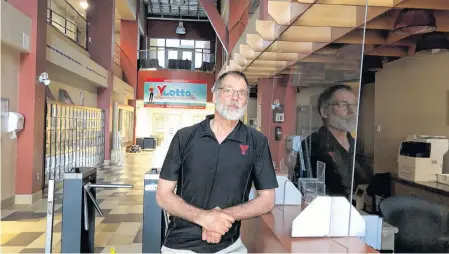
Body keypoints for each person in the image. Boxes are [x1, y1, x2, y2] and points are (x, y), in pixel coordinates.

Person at [156, 71, 279, 253]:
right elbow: (163, 195)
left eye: (242, 93)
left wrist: (220, 218)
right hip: (180, 244)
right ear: (215, 95)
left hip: (229, 245)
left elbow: (267, 200)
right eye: (228, 90)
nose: (235, 97)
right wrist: (203, 218)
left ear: (246, 100)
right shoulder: (185, 136)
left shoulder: (257, 141)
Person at [294, 84, 372, 199]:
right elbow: (307, 188)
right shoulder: (312, 144)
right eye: (343, 105)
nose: (351, 111)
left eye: (354, 105)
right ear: (325, 112)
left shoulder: (356, 145)